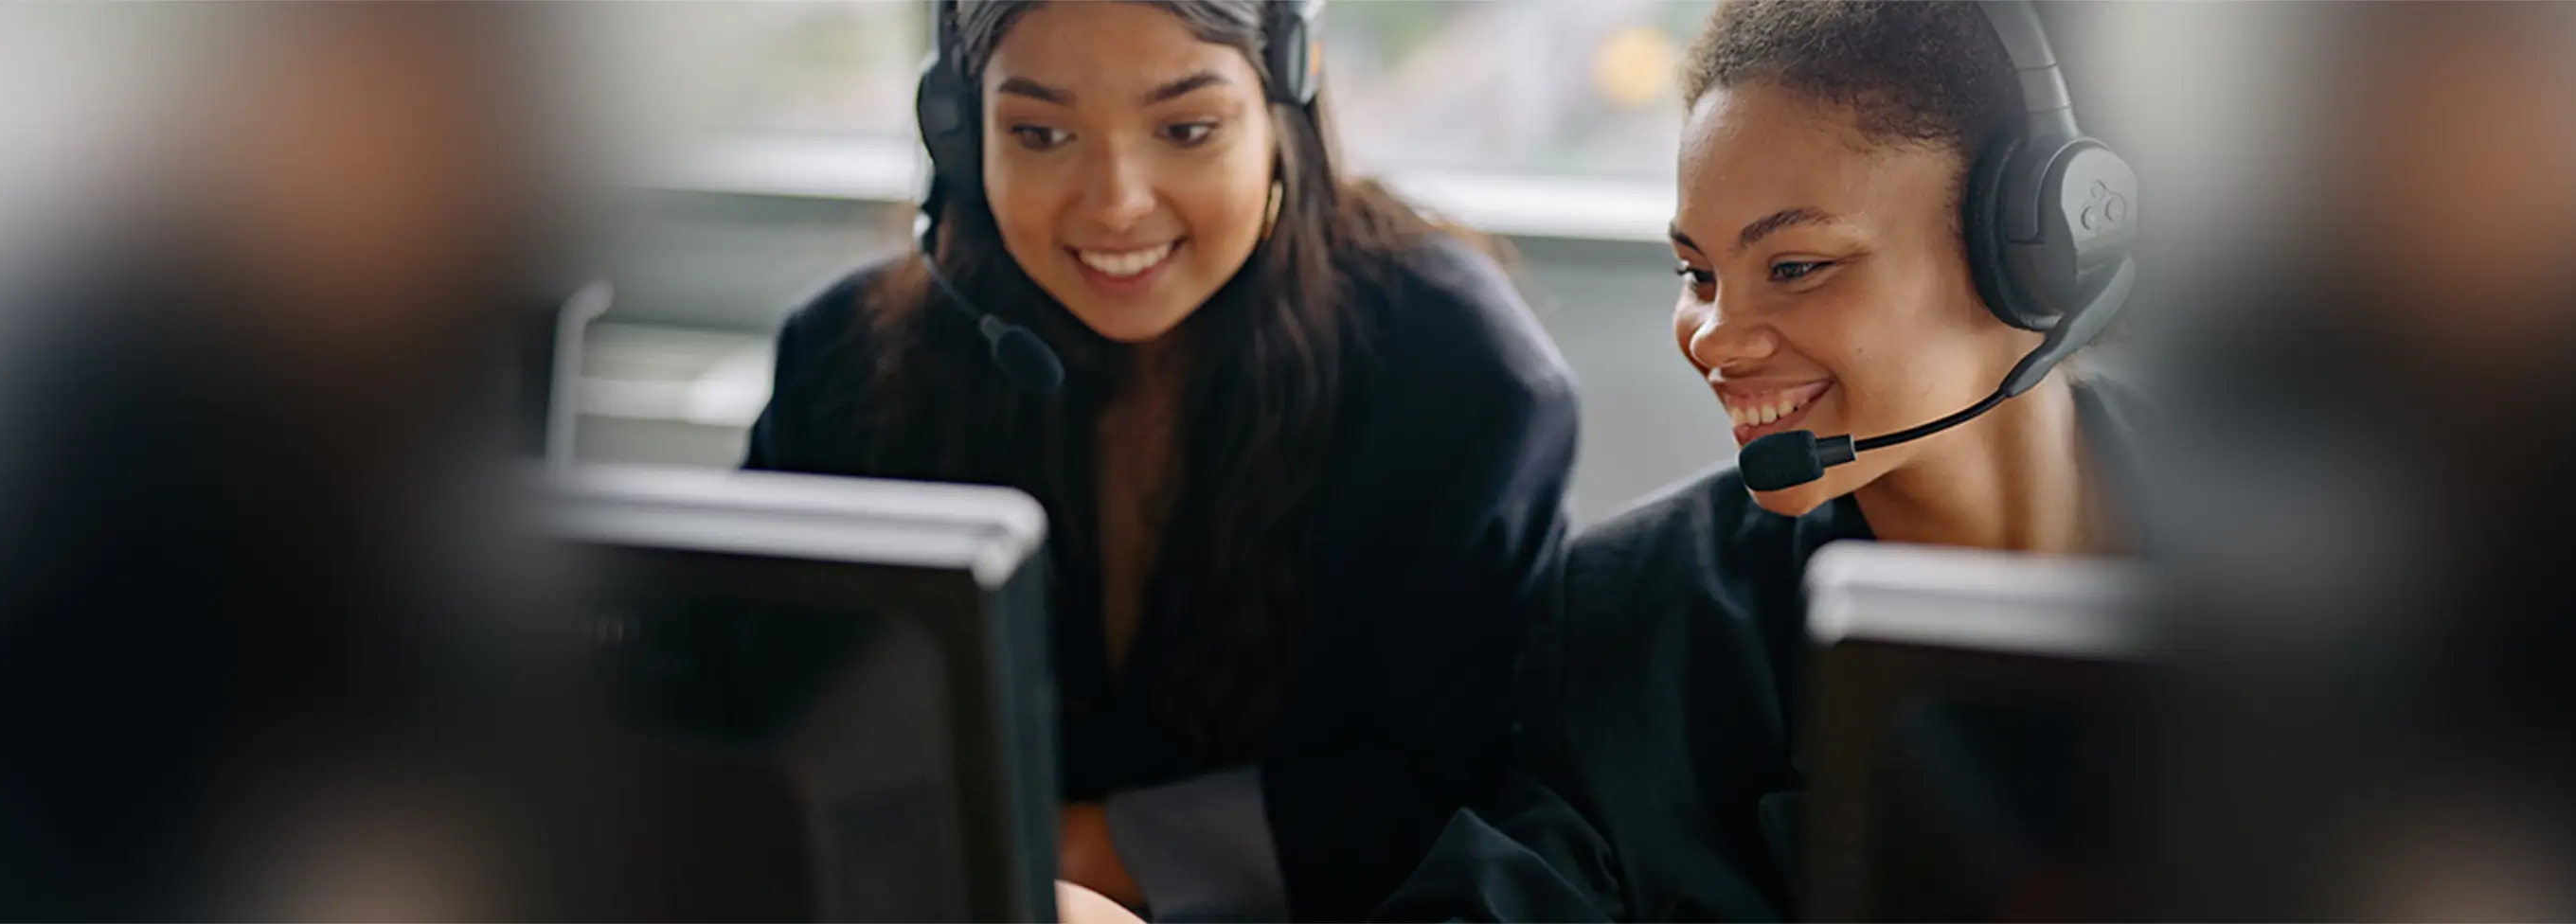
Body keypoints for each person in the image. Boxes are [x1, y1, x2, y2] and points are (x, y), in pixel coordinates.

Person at [741, 2, 1581, 919]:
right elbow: (751, 704)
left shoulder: (1458, 370)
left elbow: (1476, 785)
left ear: (1281, 105)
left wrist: (1084, 856)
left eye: (1185, 129)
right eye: (1041, 133)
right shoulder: (845, 360)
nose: (1115, 202)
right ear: (956, 128)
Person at [1388, 3, 2151, 920]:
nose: (1713, 337)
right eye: (1698, 275)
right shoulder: (1638, 621)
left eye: (1794, 267)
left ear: (2034, 256)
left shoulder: (2310, 555)